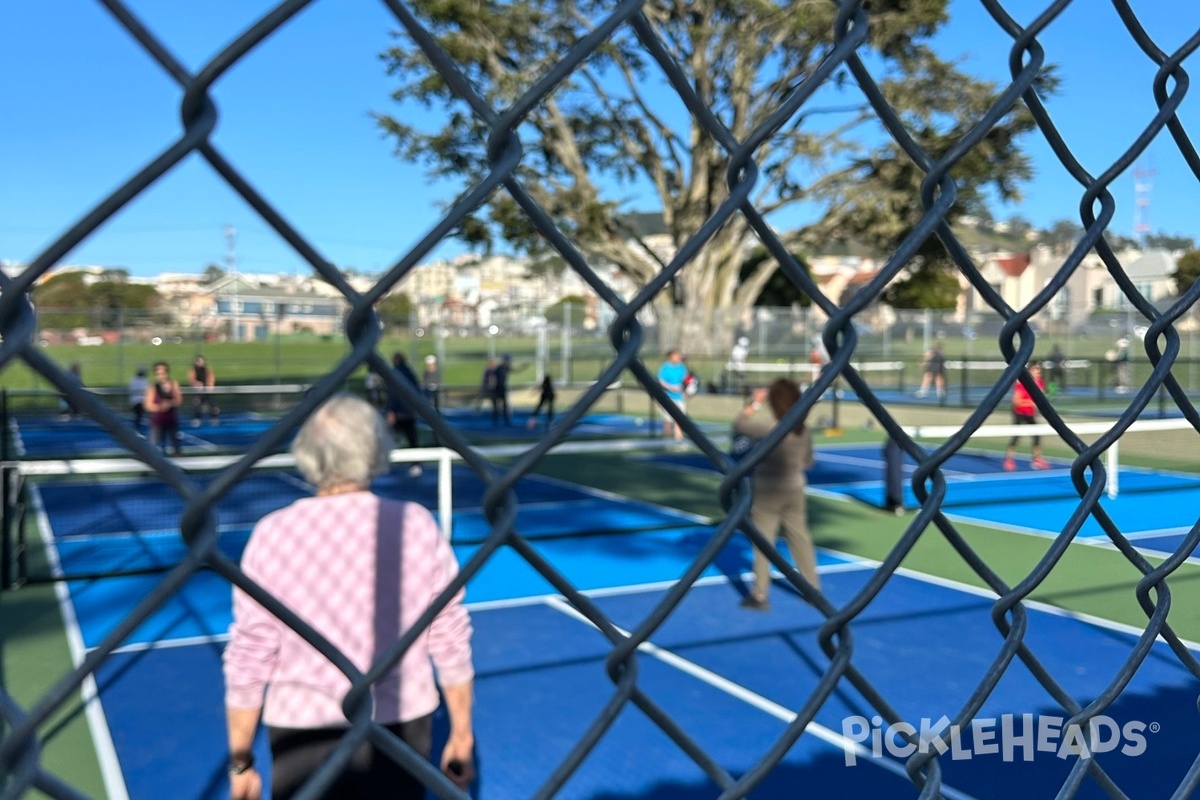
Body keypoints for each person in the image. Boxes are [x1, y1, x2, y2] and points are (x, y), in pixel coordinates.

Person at [223, 393, 476, 800]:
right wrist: (461, 733)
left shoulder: (271, 534)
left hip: (301, 732)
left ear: (307, 454)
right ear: (376, 449)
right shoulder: (416, 525)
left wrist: (241, 760)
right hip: (401, 726)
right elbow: (448, 635)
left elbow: (250, 654)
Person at [733, 378, 817, 611]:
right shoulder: (803, 430)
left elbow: (739, 424)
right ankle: (812, 588)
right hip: (795, 488)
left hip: (768, 490)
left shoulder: (769, 427)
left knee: (763, 542)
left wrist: (753, 403)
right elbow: (808, 462)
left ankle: (760, 594)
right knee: (800, 537)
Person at [1004, 362, 1051, 471]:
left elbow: (1040, 399)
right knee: (1016, 436)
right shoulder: (1022, 384)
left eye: (1039, 370)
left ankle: (1037, 459)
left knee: (1037, 435)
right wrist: (1030, 403)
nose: (1038, 372)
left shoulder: (1040, 383)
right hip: (1019, 413)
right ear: (1030, 371)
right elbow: (1016, 401)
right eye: (1035, 370)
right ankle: (1009, 460)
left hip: (1030, 414)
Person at [387, 353, 423, 478]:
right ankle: (416, 465)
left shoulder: (394, 373)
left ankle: (385, 462)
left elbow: (392, 394)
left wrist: (391, 410)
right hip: (409, 412)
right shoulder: (410, 373)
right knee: (412, 440)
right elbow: (417, 390)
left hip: (399, 412)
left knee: (390, 437)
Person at [144, 361, 183, 455]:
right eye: (158, 374)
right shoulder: (153, 388)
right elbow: (148, 405)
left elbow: (179, 400)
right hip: (158, 422)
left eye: (163, 373)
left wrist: (170, 403)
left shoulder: (173, 384)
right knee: (152, 447)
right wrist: (160, 407)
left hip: (171, 420)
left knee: (176, 447)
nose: (161, 376)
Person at [657, 349, 688, 442]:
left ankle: (678, 439)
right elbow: (661, 380)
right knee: (667, 420)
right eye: (676, 356)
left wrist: (685, 389)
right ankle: (665, 439)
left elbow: (685, 379)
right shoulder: (665, 367)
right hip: (668, 397)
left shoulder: (682, 367)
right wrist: (670, 387)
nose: (678, 358)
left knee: (679, 419)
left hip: (679, 397)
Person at [188, 355, 219, 426]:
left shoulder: (207, 369)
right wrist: (196, 384)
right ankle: (197, 419)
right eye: (198, 361)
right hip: (198, 390)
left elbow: (211, 377)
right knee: (198, 404)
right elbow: (192, 379)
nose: (200, 363)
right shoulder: (193, 370)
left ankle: (214, 418)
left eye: (201, 361)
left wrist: (210, 385)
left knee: (212, 404)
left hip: (207, 389)